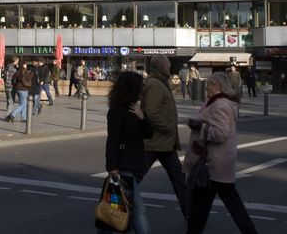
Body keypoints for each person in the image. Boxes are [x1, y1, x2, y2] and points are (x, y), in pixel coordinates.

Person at [183, 71, 259, 234]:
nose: (206, 88)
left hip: (213, 164)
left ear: (216, 86)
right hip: (218, 163)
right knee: (216, 205)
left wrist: (200, 127)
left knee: (201, 207)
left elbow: (221, 133)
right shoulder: (221, 103)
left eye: (208, 85)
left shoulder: (219, 105)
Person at [99, 71, 153, 234]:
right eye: (139, 87)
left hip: (135, 164)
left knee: (118, 208)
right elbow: (113, 139)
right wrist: (112, 166)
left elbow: (149, 133)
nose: (142, 91)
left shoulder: (135, 109)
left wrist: (142, 116)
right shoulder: (116, 111)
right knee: (137, 209)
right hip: (123, 165)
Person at [140, 55, 189, 220]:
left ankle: (190, 212)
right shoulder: (155, 84)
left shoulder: (160, 82)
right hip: (155, 141)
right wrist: (168, 127)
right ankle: (113, 207)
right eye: (167, 65)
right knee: (133, 178)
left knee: (178, 178)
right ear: (160, 66)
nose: (169, 68)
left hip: (164, 143)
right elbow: (152, 113)